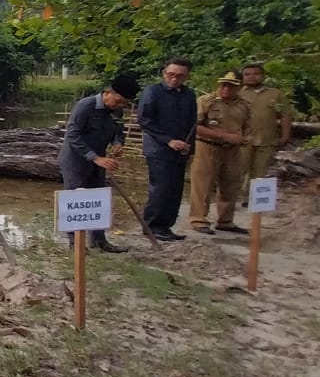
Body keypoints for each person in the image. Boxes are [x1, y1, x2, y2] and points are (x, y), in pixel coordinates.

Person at [58, 74, 141, 253]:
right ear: (107, 93)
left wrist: (118, 143)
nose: (119, 106)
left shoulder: (116, 111)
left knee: (98, 200)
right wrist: (94, 157)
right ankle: (75, 244)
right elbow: (73, 135)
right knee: (76, 200)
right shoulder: (85, 106)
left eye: (123, 104)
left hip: (100, 161)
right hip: (76, 160)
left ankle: (100, 241)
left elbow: (119, 131)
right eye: (117, 101)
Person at [138, 58, 198, 241]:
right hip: (159, 149)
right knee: (160, 188)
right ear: (164, 73)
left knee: (175, 189)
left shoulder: (188, 94)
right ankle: (152, 226)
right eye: (171, 75)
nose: (174, 79)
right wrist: (169, 140)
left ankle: (166, 226)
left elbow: (192, 123)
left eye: (180, 76)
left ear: (186, 76)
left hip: (181, 150)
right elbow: (145, 120)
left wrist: (190, 148)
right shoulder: (153, 92)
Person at [189, 71, 252, 235]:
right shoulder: (206, 101)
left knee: (231, 184)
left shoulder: (243, 105)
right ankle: (198, 219)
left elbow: (248, 126)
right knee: (203, 184)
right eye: (223, 84)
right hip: (208, 146)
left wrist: (245, 137)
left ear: (238, 87)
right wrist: (223, 135)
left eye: (231, 86)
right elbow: (195, 126)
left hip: (232, 149)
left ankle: (226, 220)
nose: (226, 89)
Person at [239, 63, 291, 197]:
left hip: (267, 139)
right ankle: (231, 198)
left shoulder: (275, 94)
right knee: (239, 169)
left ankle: (253, 200)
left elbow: (285, 115)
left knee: (260, 172)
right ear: (242, 77)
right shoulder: (236, 92)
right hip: (242, 139)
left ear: (263, 76)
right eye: (247, 74)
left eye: (256, 74)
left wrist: (285, 135)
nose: (251, 77)